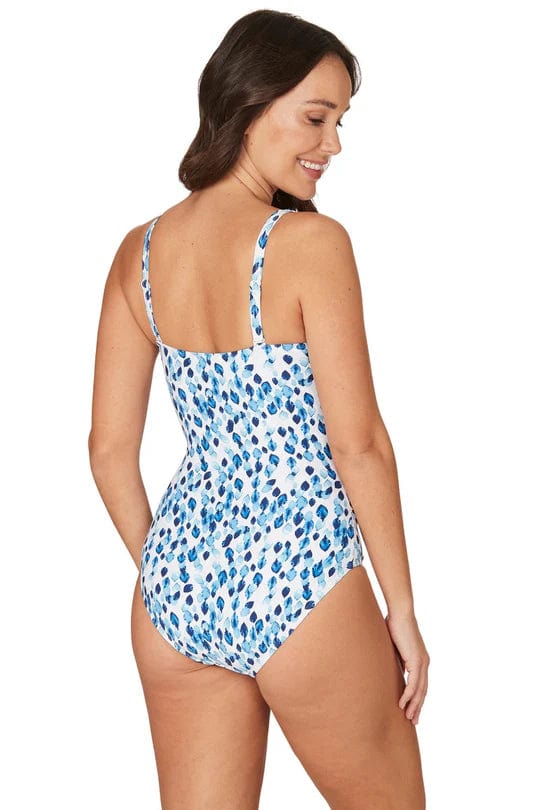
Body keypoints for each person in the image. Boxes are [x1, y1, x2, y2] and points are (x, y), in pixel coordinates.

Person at [89, 9, 429, 809]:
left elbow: (107, 449)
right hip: (303, 577)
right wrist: (403, 611)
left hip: (177, 585)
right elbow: (359, 445)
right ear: (248, 103)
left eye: (340, 122)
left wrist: (173, 576)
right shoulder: (310, 244)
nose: (332, 144)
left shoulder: (140, 253)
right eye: (315, 118)